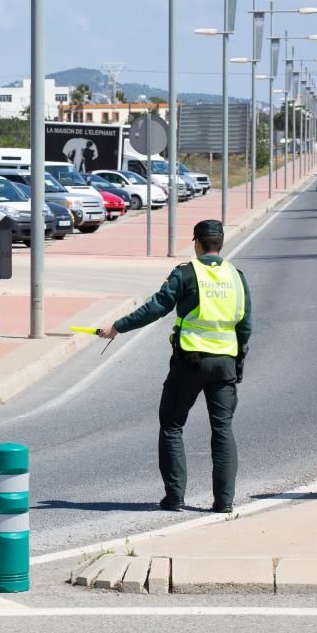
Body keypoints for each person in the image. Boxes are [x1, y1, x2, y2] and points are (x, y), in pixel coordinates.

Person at [98, 220, 251, 513]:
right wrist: (237, 363)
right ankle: (224, 502)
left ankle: (175, 497)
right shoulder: (237, 277)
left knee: (171, 425)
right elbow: (245, 326)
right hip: (225, 364)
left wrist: (117, 326)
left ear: (197, 243)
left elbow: (156, 307)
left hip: (190, 362)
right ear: (220, 244)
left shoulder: (186, 274)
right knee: (222, 429)